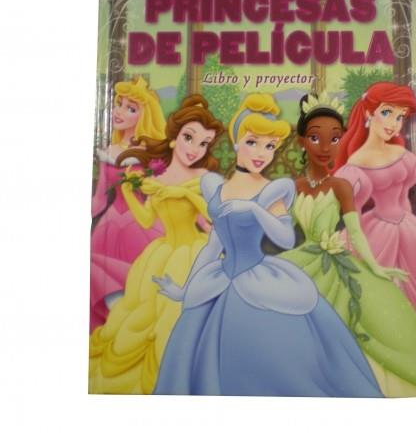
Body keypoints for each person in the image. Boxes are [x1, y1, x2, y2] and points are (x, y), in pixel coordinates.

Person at [152, 94, 382, 397]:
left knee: (275, 364)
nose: (262, 154)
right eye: (253, 142)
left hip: (259, 281)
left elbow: (285, 239)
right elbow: (212, 247)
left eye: (270, 146)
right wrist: (184, 291)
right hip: (218, 282)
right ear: (236, 142)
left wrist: (255, 209)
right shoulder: (215, 187)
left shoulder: (272, 190)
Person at [279, 92, 416, 396]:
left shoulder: (341, 185)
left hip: (345, 255)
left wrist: (375, 267)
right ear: (302, 141)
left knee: (361, 319)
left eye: (334, 139)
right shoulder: (296, 187)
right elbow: (282, 230)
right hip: (305, 258)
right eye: (315, 138)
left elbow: (355, 232)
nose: (325, 147)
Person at [89, 95, 224, 394]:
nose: (195, 149)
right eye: (189, 138)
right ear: (174, 138)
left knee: (182, 316)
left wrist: (185, 195)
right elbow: (148, 219)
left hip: (193, 253)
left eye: (203, 143)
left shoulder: (204, 178)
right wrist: (129, 191)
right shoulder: (157, 178)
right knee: (146, 317)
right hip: (161, 255)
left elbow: (214, 216)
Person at [333, 82, 416, 317]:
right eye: (386, 113)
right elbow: (354, 225)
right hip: (376, 234)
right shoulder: (355, 165)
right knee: (379, 299)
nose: (394, 123)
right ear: (368, 113)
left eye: (400, 117)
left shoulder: (402, 154)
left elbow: (404, 199)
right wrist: (372, 263)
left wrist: (413, 231)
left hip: (410, 228)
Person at [90, 76, 166, 332]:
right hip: (109, 226)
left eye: (130, 108)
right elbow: (100, 198)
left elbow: (162, 192)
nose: (119, 111)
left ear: (143, 116)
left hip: (141, 224)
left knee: (141, 283)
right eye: (118, 104)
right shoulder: (110, 149)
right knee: (100, 277)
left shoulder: (150, 154)